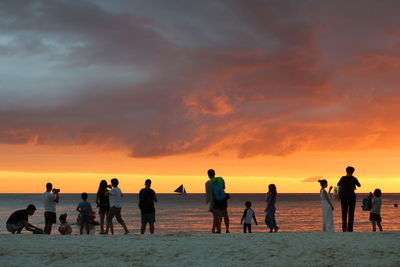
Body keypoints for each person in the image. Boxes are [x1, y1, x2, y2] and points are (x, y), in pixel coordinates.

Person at [337, 166, 361, 232]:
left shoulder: (343, 178)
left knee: (344, 212)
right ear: (353, 172)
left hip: (344, 197)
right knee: (351, 213)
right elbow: (359, 185)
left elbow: (338, 184)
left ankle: (344, 228)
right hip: (352, 197)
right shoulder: (354, 178)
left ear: (346, 171)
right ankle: (350, 229)